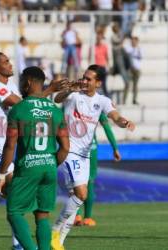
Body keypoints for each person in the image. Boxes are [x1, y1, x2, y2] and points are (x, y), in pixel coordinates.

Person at [51, 64, 135, 250]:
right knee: (82, 193)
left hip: (84, 155)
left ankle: (58, 243)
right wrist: (68, 90)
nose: (84, 80)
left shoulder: (103, 101)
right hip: (68, 150)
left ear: (98, 83)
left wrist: (125, 122)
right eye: (84, 77)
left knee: (76, 198)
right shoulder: (73, 95)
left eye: (89, 79)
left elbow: (115, 116)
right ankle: (54, 231)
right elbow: (57, 98)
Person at [0, 66, 70, 250]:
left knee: (14, 212)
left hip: (27, 167)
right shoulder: (56, 110)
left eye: (21, 81)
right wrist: (51, 163)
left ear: (28, 82)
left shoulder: (18, 110)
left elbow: (10, 144)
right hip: (49, 168)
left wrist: (2, 173)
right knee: (42, 214)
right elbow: (66, 147)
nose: (19, 84)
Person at [74, 112, 121, 226]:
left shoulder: (70, 100)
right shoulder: (97, 102)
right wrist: (115, 148)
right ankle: (87, 217)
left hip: (74, 146)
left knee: (75, 181)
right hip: (90, 147)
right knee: (89, 181)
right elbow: (106, 127)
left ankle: (76, 215)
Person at [89, 32, 109, 97]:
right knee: (96, 84)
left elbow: (107, 57)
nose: (98, 39)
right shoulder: (93, 47)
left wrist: (108, 67)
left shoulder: (104, 47)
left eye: (99, 38)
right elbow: (90, 57)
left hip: (102, 67)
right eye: (97, 38)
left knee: (104, 85)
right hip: (96, 68)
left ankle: (107, 99)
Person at [124, 36, 142, 105]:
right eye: (133, 41)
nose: (134, 42)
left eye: (135, 41)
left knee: (135, 85)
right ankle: (124, 100)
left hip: (137, 69)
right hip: (130, 69)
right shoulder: (129, 48)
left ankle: (134, 100)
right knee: (127, 84)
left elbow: (140, 57)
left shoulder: (139, 49)